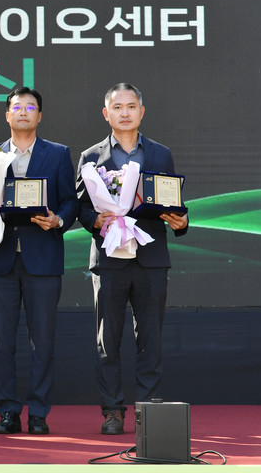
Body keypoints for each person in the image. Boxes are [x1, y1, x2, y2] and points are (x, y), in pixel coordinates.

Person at [76, 83, 189, 435]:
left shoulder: (160, 154)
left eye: (130, 106)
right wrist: (95, 220)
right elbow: (80, 206)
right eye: (117, 107)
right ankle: (112, 411)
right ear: (106, 113)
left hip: (151, 257)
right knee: (107, 339)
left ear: (141, 111)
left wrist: (182, 221)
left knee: (150, 338)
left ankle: (149, 410)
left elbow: (171, 199)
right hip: (109, 258)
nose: (124, 113)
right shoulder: (90, 157)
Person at [0, 87, 78, 435]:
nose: (23, 112)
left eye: (31, 108)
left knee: (42, 342)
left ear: (39, 116)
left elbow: (70, 201)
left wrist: (58, 220)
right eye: (17, 107)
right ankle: (7, 411)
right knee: (1, 342)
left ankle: (38, 412)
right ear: (7, 115)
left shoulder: (58, 154)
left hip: (42, 258)